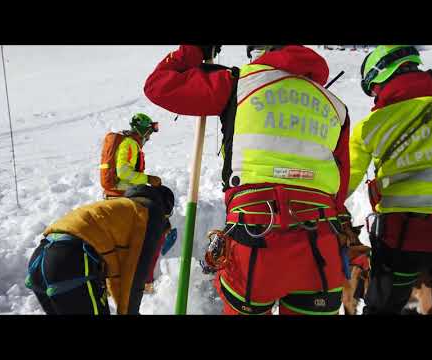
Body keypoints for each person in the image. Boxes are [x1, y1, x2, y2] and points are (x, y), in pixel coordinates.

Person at [144, 44, 357, 315]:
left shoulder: (239, 83)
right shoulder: (335, 106)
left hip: (256, 233)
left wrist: (194, 50)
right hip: (320, 241)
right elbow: (340, 185)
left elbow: (158, 85)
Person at [349, 45, 432, 314]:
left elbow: (339, 184)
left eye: (373, 90)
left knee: (381, 309)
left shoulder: (370, 125)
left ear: (380, 78)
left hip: (398, 239)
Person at [25, 184, 175, 315]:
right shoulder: (151, 212)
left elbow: (118, 275)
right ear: (165, 209)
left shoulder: (120, 209)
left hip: (40, 259)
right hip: (71, 260)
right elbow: (136, 271)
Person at [100, 113, 162, 198]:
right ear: (142, 131)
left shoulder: (129, 142)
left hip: (120, 192)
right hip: (122, 193)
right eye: (149, 132)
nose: (148, 137)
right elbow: (123, 172)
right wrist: (148, 179)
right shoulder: (130, 143)